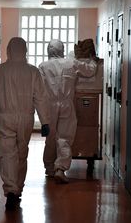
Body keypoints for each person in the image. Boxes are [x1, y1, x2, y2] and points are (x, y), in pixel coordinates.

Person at [0, 37, 50, 210]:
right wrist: (45, 122)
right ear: (25, 50)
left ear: (8, 50)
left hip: (5, 117)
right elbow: (40, 98)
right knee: (22, 154)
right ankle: (17, 189)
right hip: (26, 119)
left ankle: (11, 190)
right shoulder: (33, 72)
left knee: (7, 154)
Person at [38, 39, 97, 184]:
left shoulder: (43, 66)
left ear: (49, 50)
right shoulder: (71, 63)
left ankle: (49, 168)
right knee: (64, 137)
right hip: (66, 104)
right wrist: (92, 59)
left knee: (50, 136)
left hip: (49, 105)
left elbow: (38, 88)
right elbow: (90, 71)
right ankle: (60, 169)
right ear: (62, 50)